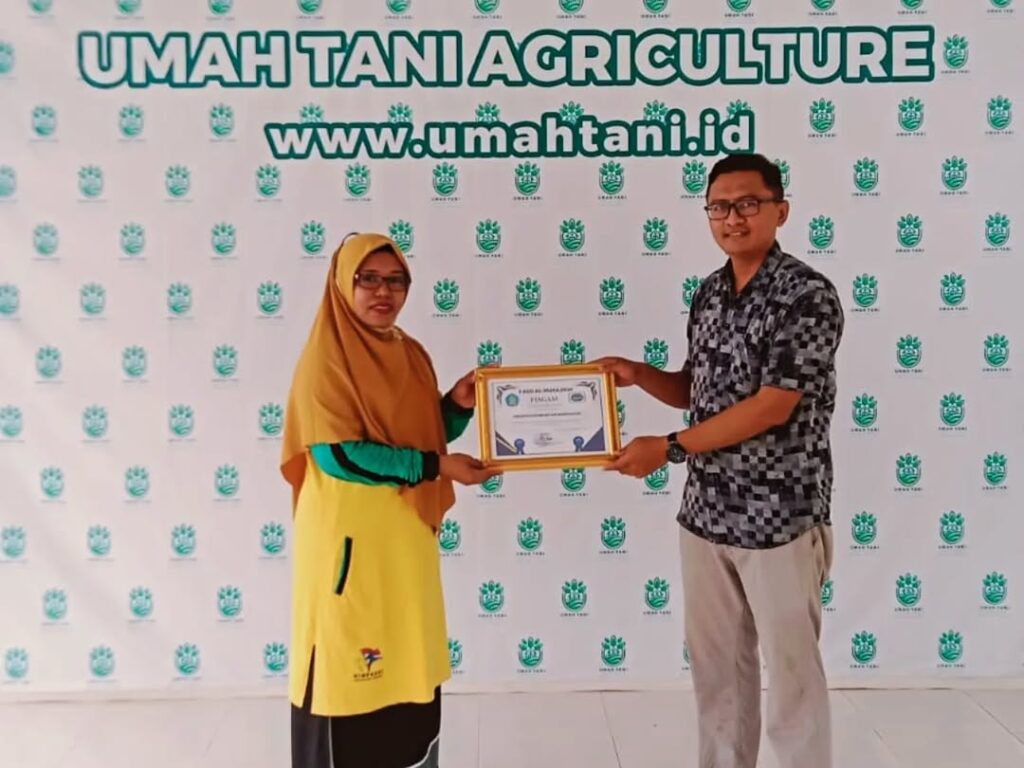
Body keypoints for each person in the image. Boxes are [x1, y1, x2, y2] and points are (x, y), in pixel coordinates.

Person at [597, 153, 844, 768]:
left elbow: (772, 406)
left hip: (779, 517)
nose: (733, 217)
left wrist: (669, 448)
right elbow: (699, 391)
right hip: (706, 514)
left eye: (748, 203)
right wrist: (638, 374)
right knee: (718, 677)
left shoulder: (807, 295)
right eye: (719, 206)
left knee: (792, 676)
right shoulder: (709, 292)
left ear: (780, 211)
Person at [280, 232, 500, 768]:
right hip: (350, 551)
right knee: (349, 673)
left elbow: (421, 434)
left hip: (403, 547)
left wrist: (457, 405)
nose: (384, 292)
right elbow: (339, 455)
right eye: (369, 279)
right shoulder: (326, 359)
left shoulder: (409, 352)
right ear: (342, 284)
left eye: (396, 280)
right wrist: (436, 467)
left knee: (408, 666)